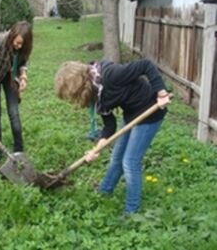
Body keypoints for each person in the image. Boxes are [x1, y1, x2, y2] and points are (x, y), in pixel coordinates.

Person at [54, 59, 171, 214]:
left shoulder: (111, 76)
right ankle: (104, 191)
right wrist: (98, 148)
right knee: (117, 158)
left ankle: (131, 211)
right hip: (131, 114)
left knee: (130, 162)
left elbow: (145, 65)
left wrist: (161, 92)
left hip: (150, 111)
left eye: (72, 96)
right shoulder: (98, 95)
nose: (73, 101)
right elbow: (109, 125)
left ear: (78, 86)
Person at [0, 21, 33, 167]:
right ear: (12, 35)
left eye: (21, 45)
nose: (18, 47)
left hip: (10, 77)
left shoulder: (23, 46)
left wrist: (23, 77)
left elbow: (23, 63)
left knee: (14, 112)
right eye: (17, 43)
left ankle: (19, 151)